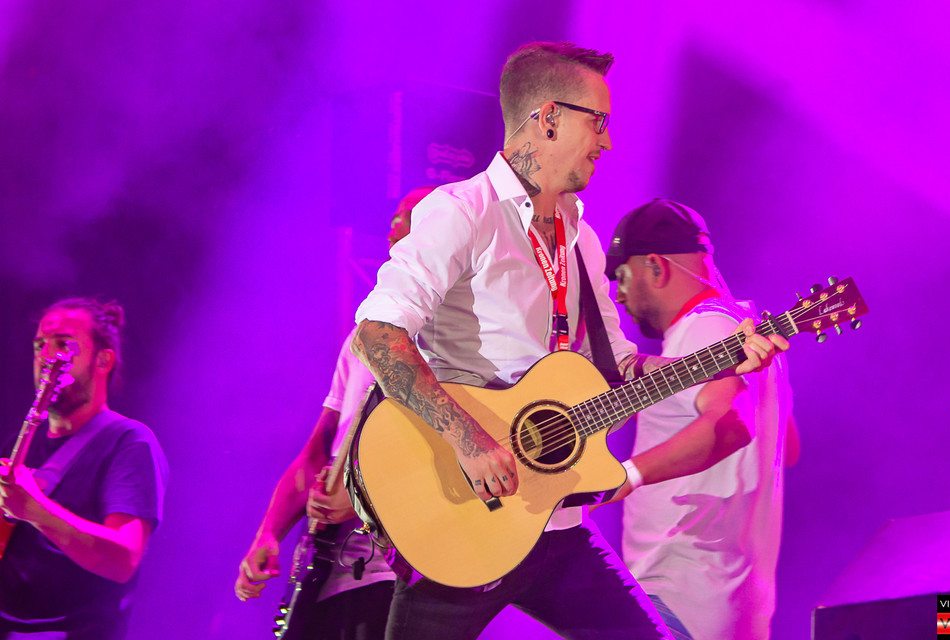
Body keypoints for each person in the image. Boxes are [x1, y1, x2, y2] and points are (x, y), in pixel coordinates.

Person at [350, 42, 788, 640]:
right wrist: (469, 439)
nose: (606, 141)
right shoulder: (462, 212)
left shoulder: (581, 237)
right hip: (463, 518)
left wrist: (719, 362)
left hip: (559, 524)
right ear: (549, 118)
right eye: (598, 122)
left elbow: (620, 366)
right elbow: (378, 334)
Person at [234, 186, 434, 639]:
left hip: (399, 577)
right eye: (395, 218)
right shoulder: (362, 338)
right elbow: (317, 453)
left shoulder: (458, 344)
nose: (393, 227)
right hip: (327, 574)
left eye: (409, 216)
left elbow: (452, 460)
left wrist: (365, 502)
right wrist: (269, 533)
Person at [604, 199, 799, 640]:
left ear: (655, 267)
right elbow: (787, 449)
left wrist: (623, 477)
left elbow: (730, 424)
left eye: (622, 276)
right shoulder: (744, 329)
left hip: (679, 596)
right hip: (734, 608)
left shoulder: (703, 331)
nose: (618, 294)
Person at [0, 298, 169, 639]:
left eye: (64, 344)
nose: (47, 356)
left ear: (103, 360)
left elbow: (123, 559)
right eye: (40, 346)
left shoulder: (129, 442)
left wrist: (35, 510)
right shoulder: (19, 442)